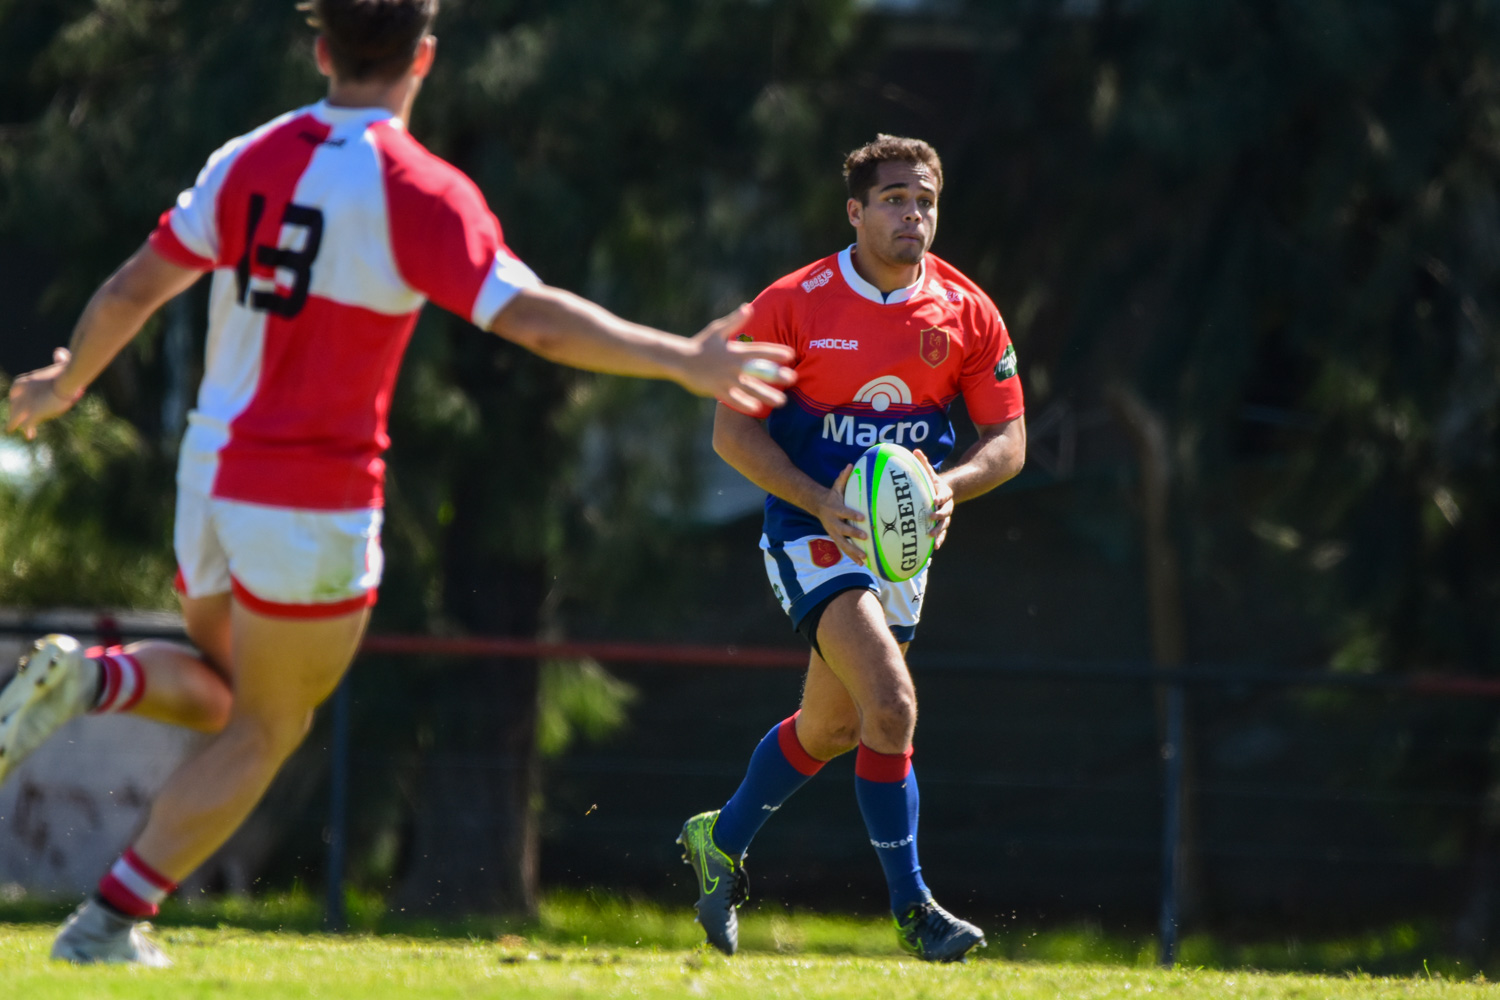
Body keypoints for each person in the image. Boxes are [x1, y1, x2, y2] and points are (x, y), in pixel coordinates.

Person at [0, 0, 793, 966]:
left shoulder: (249, 157)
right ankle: (106, 925)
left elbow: (133, 285)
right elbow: (535, 322)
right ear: (424, 57)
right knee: (270, 724)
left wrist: (64, 383)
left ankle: (91, 677)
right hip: (311, 495)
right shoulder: (419, 189)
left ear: (322, 49)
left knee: (223, 693)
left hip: (210, 474)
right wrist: (683, 360)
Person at [676, 135, 1026, 962]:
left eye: (925, 201)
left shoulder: (967, 311)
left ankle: (718, 841)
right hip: (810, 532)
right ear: (855, 212)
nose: (914, 215)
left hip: (901, 546)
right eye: (895, 199)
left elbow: (1008, 441)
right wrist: (820, 502)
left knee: (832, 728)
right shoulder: (791, 304)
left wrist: (950, 487)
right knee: (892, 706)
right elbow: (732, 433)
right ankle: (914, 910)